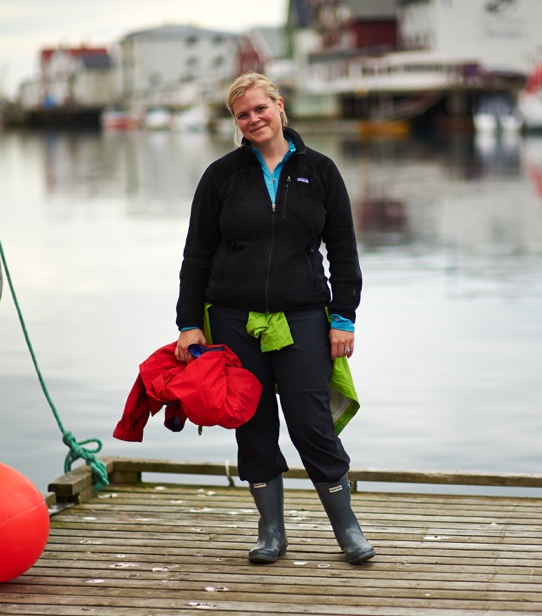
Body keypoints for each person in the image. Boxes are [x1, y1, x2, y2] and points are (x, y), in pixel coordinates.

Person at [174, 72, 374, 565]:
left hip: (303, 315)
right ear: (235, 122)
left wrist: (343, 318)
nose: (253, 120)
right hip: (234, 319)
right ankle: (271, 531)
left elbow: (344, 252)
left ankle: (347, 527)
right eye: (243, 115)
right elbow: (196, 254)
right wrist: (187, 322)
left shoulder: (321, 172)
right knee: (254, 423)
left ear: (280, 106)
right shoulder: (220, 176)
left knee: (310, 422)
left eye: (260, 109)